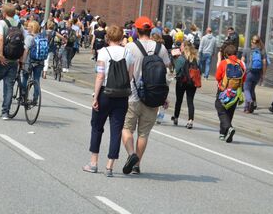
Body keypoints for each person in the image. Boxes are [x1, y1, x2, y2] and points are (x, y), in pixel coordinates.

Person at [122, 16, 171, 175]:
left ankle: (131, 155)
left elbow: (124, 69)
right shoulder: (161, 49)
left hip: (132, 95)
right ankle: (137, 165)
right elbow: (166, 71)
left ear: (136, 30)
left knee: (127, 128)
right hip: (153, 96)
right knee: (143, 133)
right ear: (150, 30)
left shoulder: (130, 46)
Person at [83, 25, 133, 177]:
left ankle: (93, 162)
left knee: (97, 127)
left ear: (108, 37)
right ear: (120, 38)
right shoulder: (128, 52)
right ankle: (109, 166)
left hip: (105, 93)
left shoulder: (103, 52)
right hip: (122, 96)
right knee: (116, 130)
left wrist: (96, 96)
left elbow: (100, 76)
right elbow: (130, 76)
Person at [215, 45, 246, 142]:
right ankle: (223, 133)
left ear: (226, 54)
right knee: (230, 112)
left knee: (220, 108)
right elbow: (244, 78)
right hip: (236, 92)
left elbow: (217, 77)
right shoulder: (241, 64)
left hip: (224, 91)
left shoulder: (224, 63)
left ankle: (228, 128)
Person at [173, 42, 200, 129]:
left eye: (181, 46)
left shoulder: (181, 58)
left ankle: (176, 117)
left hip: (182, 81)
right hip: (192, 82)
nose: (180, 47)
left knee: (179, 100)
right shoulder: (195, 58)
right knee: (190, 101)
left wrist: (175, 59)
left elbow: (177, 70)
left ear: (184, 48)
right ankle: (190, 120)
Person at [21, 20, 46, 105]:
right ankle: (35, 99)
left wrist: (22, 62)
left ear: (32, 28)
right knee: (36, 80)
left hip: (30, 61)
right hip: (40, 62)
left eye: (29, 26)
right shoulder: (42, 37)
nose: (27, 28)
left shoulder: (29, 37)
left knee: (25, 77)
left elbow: (26, 50)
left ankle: (23, 96)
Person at [241, 35, 268, 113]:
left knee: (246, 89)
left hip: (248, 72)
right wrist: (263, 74)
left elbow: (242, 62)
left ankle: (250, 101)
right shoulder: (262, 51)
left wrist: (241, 73)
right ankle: (247, 108)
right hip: (258, 73)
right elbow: (264, 62)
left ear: (251, 41)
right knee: (251, 89)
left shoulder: (246, 50)